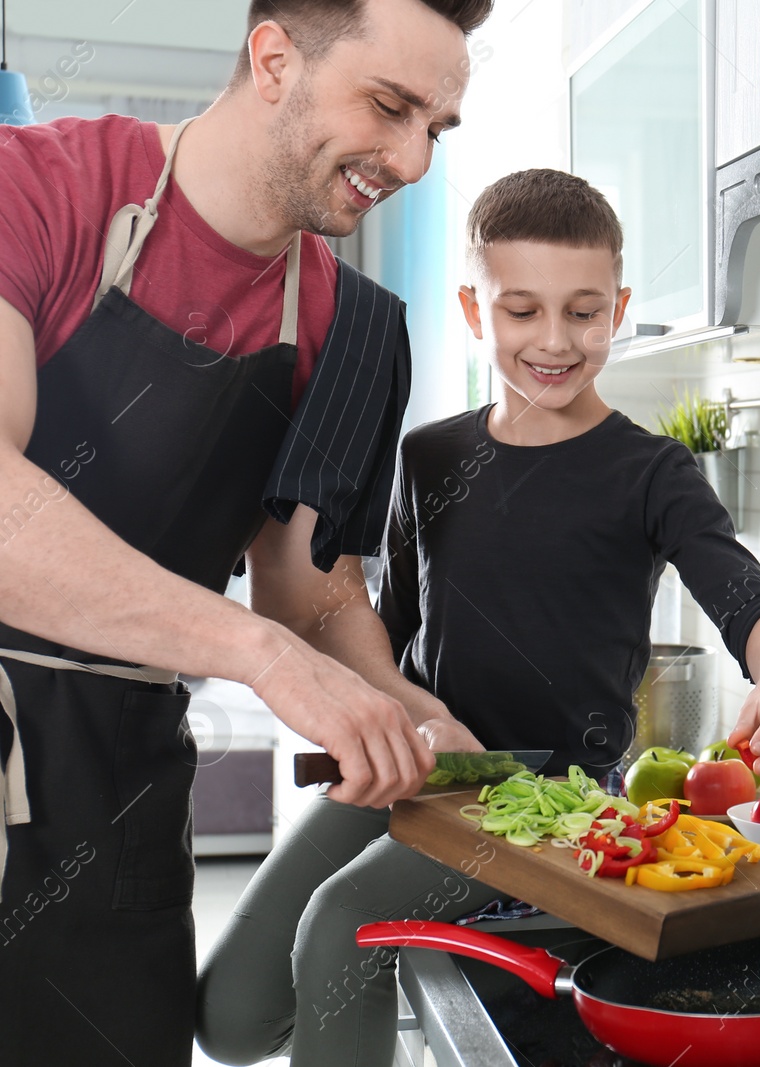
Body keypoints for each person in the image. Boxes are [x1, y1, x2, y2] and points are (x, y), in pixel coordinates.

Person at [195, 169, 760, 1067]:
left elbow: (751, 601)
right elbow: (391, 631)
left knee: (343, 926)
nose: (555, 340)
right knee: (231, 1015)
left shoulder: (653, 473)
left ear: (620, 307)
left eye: (584, 310)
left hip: (548, 801)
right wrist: (401, 718)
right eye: (522, 310)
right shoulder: (429, 456)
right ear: (472, 306)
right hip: (422, 764)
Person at [0, 0, 494, 1062]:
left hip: (123, 803)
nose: (410, 159)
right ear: (273, 58)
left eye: (436, 130)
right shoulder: (36, 189)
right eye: (390, 106)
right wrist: (261, 657)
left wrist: (399, 706)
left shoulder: (355, 329)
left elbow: (308, 590)